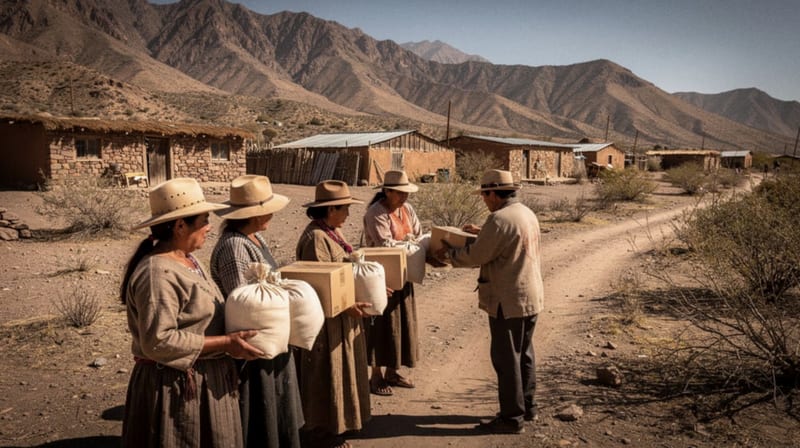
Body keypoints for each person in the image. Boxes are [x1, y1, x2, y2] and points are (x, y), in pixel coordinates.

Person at [120, 177, 264, 448]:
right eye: (204, 220)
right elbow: (158, 341)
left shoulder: (189, 259)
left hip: (205, 380)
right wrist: (226, 343)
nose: (210, 227)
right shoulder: (157, 274)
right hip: (175, 388)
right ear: (179, 226)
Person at [436, 169, 544, 435]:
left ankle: (511, 418)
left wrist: (449, 254)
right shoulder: (525, 212)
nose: (484, 200)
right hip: (529, 296)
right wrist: (482, 232)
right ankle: (528, 407)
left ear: (494, 193)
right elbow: (503, 242)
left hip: (507, 299)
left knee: (506, 360)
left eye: (485, 195)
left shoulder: (498, 219)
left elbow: (477, 255)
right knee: (524, 353)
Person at [210, 175, 304, 448]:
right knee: (260, 407)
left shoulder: (254, 238)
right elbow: (243, 300)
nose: (272, 214)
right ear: (254, 214)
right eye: (268, 209)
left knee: (279, 402)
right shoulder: (235, 246)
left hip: (271, 336)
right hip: (253, 343)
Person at [295, 180, 372, 448]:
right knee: (325, 372)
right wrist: (347, 304)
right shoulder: (316, 238)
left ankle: (340, 423)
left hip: (341, 315)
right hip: (327, 321)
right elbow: (320, 284)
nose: (348, 214)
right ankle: (321, 431)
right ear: (330, 210)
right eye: (344, 208)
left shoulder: (331, 233)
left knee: (340, 369)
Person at [362, 170, 420, 396]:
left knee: (401, 323)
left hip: (404, 275)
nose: (404, 197)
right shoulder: (376, 213)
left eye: (406, 193)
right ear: (387, 191)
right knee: (380, 325)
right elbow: (384, 244)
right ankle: (376, 375)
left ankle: (392, 371)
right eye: (399, 193)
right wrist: (410, 245)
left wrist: (412, 244)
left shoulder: (407, 210)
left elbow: (417, 234)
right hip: (380, 278)